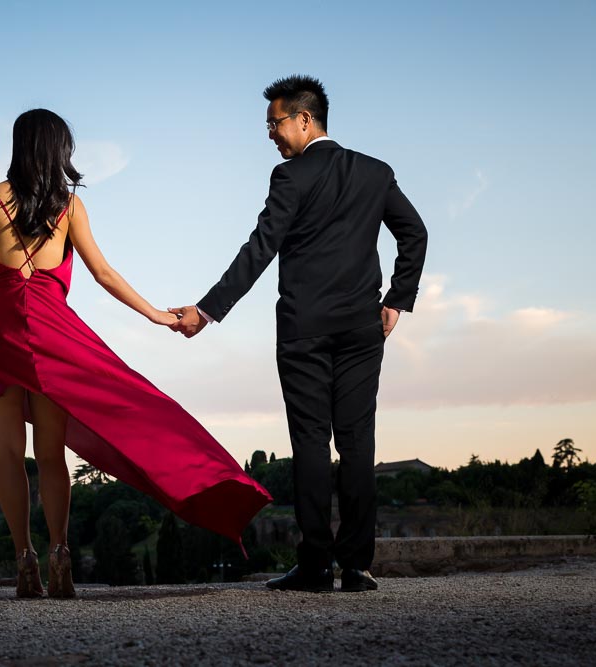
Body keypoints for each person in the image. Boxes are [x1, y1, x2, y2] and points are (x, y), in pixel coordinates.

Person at [0, 109, 271, 598]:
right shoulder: (69, 207)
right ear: (59, 150)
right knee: (50, 455)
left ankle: (26, 561)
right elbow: (103, 273)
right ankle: (60, 553)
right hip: (51, 336)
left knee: (6, 454)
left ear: (19, 145)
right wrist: (155, 314)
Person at [171, 75, 428, 593]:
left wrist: (207, 310)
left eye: (275, 122)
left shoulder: (289, 177)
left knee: (311, 441)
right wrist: (396, 300)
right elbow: (415, 233)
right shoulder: (375, 173)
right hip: (362, 328)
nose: (270, 134)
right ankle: (356, 566)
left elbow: (260, 248)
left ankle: (315, 565)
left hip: (303, 332)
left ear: (304, 119)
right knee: (358, 443)